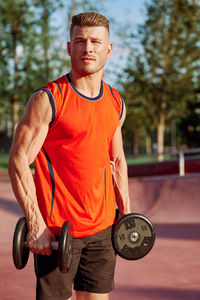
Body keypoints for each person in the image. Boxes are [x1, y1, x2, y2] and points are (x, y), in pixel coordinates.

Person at [8, 12, 131, 300]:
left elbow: (117, 161)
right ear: (69, 48)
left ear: (108, 49)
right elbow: (18, 161)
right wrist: (35, 223)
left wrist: (126, 214)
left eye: (96, 42)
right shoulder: (48, 99)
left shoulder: (115, 101)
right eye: (80, 41)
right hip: (58, 233)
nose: (88, 48)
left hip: (103, 229)